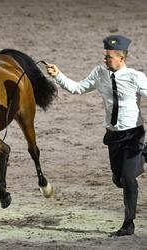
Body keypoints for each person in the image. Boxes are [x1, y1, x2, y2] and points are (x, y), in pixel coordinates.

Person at [46, 35, 147, 236]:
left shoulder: (136, 77)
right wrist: (58, 75)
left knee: (128, 178)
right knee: (119, 179)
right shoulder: (99, 73)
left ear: (121, 58)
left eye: (108, 57)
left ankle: (129, 223)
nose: (104, 60)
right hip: (114, 137)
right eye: (104, 56)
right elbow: (77, 88)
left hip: (134, 135)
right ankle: (143, 156)